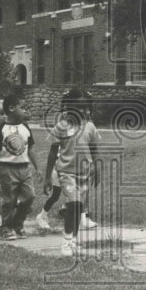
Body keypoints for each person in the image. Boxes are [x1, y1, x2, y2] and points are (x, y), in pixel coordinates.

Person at [43, 89, 100, 256]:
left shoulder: (89, 126)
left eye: (87, 107)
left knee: (78, 208)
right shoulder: (61, 126)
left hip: (84, 174)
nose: (85, 111)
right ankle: (66, 242)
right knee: (73, 204)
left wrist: (96, 167)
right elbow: (53, 152)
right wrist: (47, 177)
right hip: (66, 173)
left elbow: (94, 148)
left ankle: (73, 240)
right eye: (80, 107)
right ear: (69, 107)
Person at [0, 93, 40, 241]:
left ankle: (18, 223)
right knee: (9, 200)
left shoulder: (25, 127)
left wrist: (37, 167)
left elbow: (30, 148)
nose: (25, 111)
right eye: (22, 108)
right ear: (11, 108)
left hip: (24, 168)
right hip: (7, 168)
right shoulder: (1, 129)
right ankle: (6, 227)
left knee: (30, 196)